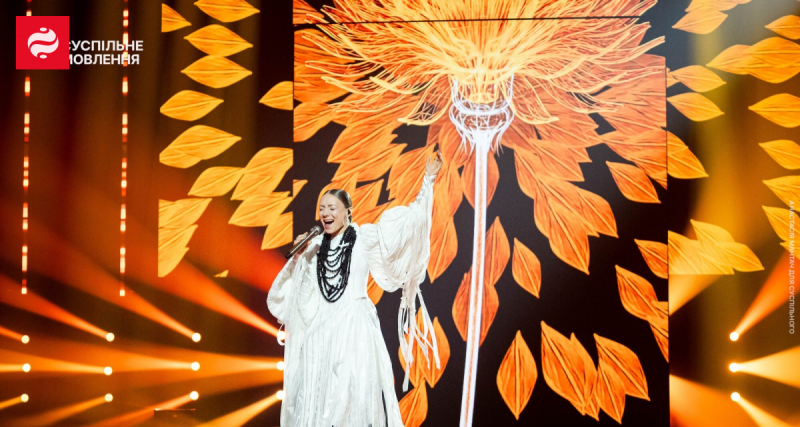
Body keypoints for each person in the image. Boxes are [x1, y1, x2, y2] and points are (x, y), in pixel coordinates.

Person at [267, 151, 444, 427]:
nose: (325, 213)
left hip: (355, 328)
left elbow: (409, 224)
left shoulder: (364, 237)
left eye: (332, 208)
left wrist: (428, 180)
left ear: (347, 211)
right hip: (322, 332)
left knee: (353, 402)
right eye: (322, 209)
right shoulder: (315, 247)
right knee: (319, 403)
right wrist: (299, 258)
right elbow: (296, 298)